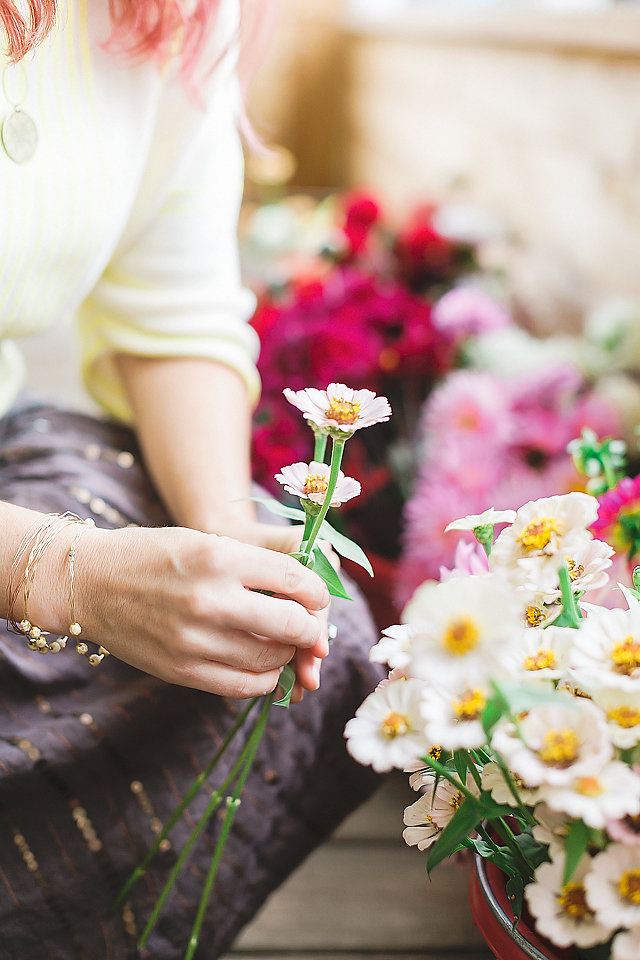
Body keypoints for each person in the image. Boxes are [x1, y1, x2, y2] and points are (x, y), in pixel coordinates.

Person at [0, 0, 383, 956]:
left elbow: (174, 313)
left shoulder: (166, 16)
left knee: (282, 631)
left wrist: (217, 530)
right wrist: (64, 575)